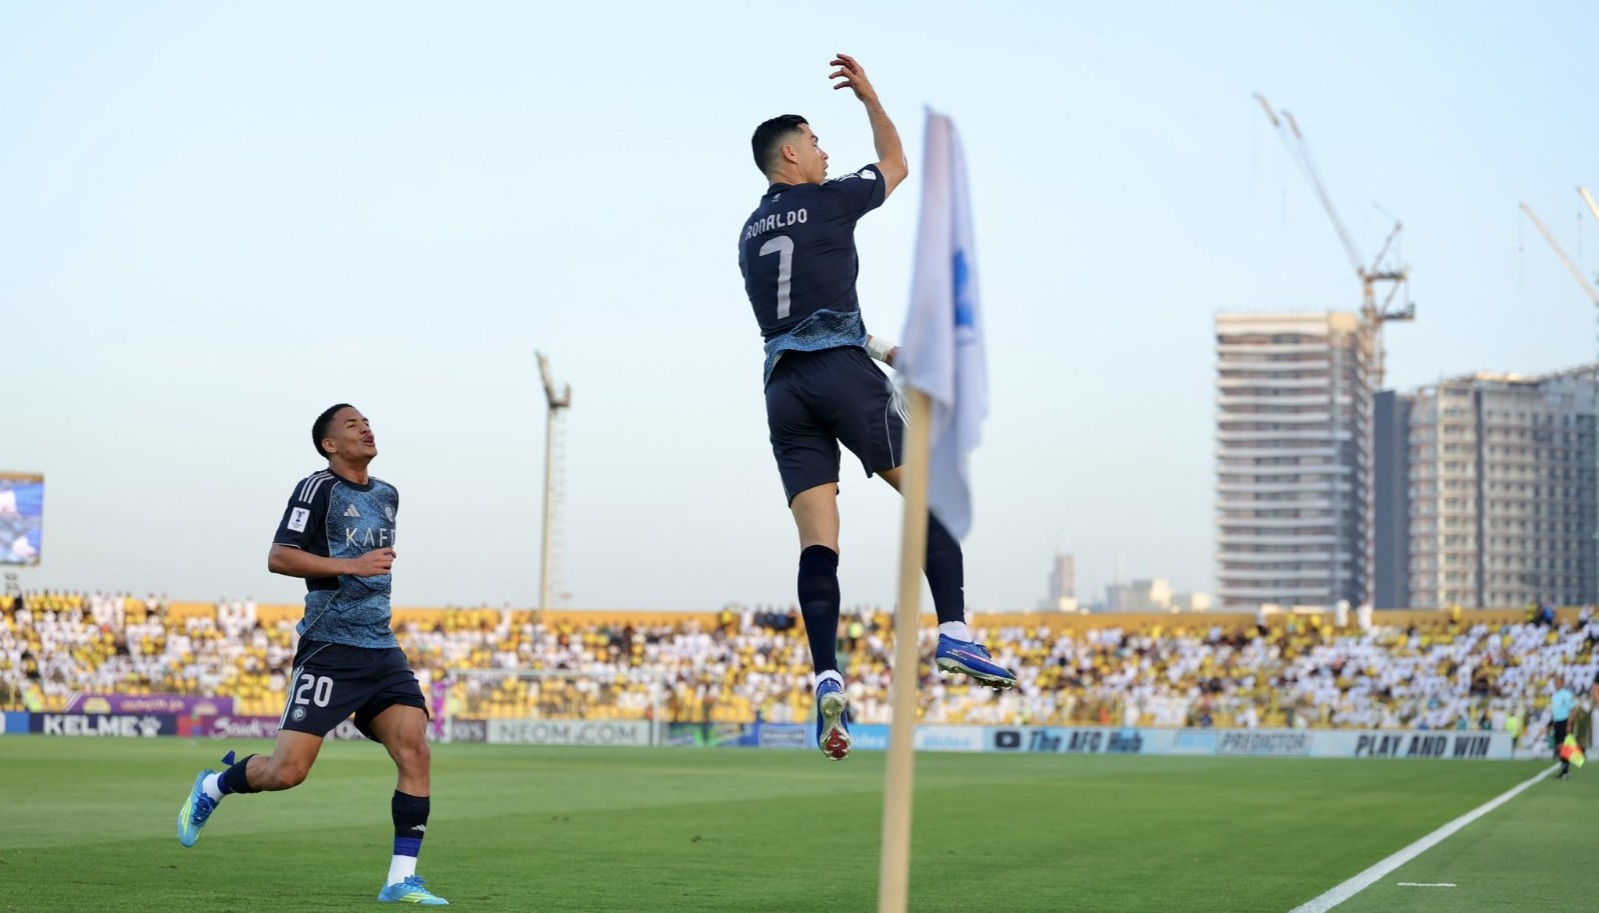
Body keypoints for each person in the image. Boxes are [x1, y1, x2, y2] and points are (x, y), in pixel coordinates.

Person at [738, 54, 1015, 762]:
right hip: (839, 375)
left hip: (782, 388)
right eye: (816, 141)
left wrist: (889, 350)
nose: (826, 153)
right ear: (790, 154)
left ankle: (826, 674)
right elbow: (896, 163)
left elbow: (808, 316)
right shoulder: (830, 200)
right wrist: (869, 96)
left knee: (818, 544)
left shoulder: (748, 235)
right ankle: (954, 633)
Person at [176, 404, 447, 905]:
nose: (366, 428)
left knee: (416, 751)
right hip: (329, 648)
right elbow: (279, 557)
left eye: (367, 421)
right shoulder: (316, 488)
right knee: (287, 773)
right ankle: (215, 785)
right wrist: (352, 565)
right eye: (352, 424)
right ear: (330, 445)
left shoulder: (387, 494)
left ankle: (400, 879)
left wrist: (360, 569)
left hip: (381, 648)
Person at [1551, 675, 1575, 780]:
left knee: (1563, 746)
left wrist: (1569, 724)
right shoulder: (1555, 695)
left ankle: (1565, 770)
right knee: (1558, 746)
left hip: (1564, 722)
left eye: (1558, 682)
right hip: (1557, 722)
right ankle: (1563, 768)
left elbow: (1572, 710)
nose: (1556, 684)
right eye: (1555, 682)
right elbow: (1555, 711)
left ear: (1562, 683)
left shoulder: (1566, 694)